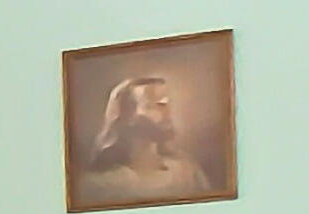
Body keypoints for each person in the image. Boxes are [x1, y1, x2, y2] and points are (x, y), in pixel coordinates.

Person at [83, 72, 216, 203]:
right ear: (127, 116)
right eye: (155, 105)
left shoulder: (186, 172)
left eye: (166, 104)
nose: (167, 113)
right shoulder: (102, 184)